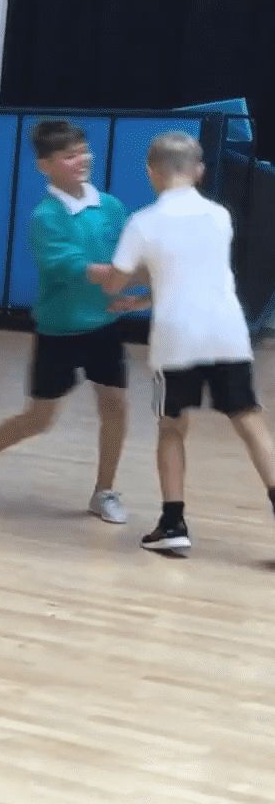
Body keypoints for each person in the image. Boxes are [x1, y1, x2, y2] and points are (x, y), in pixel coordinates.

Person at [88, 130, 275, 556]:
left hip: (175, 341)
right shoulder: (219, 216)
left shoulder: (142, 222)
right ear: (199, 171)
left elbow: (120, 277)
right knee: (250, 422)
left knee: (171, 428)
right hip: (227, 332)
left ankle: (172, 524)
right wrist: (144, 293)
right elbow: (189, 274)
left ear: (151, 172)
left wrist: (101, 275)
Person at [0, 120, 132, 523]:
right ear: (45, 165)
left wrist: (131, 288)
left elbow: (125, 253)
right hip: (60, 331)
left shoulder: (111, 207)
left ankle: (104, 492)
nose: (81, 160)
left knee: (115, 406)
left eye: (83, 151)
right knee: (40, 418)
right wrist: (115, 276)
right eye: (69, 155)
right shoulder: (46, 217)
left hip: (104, 327)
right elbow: (70, 266)